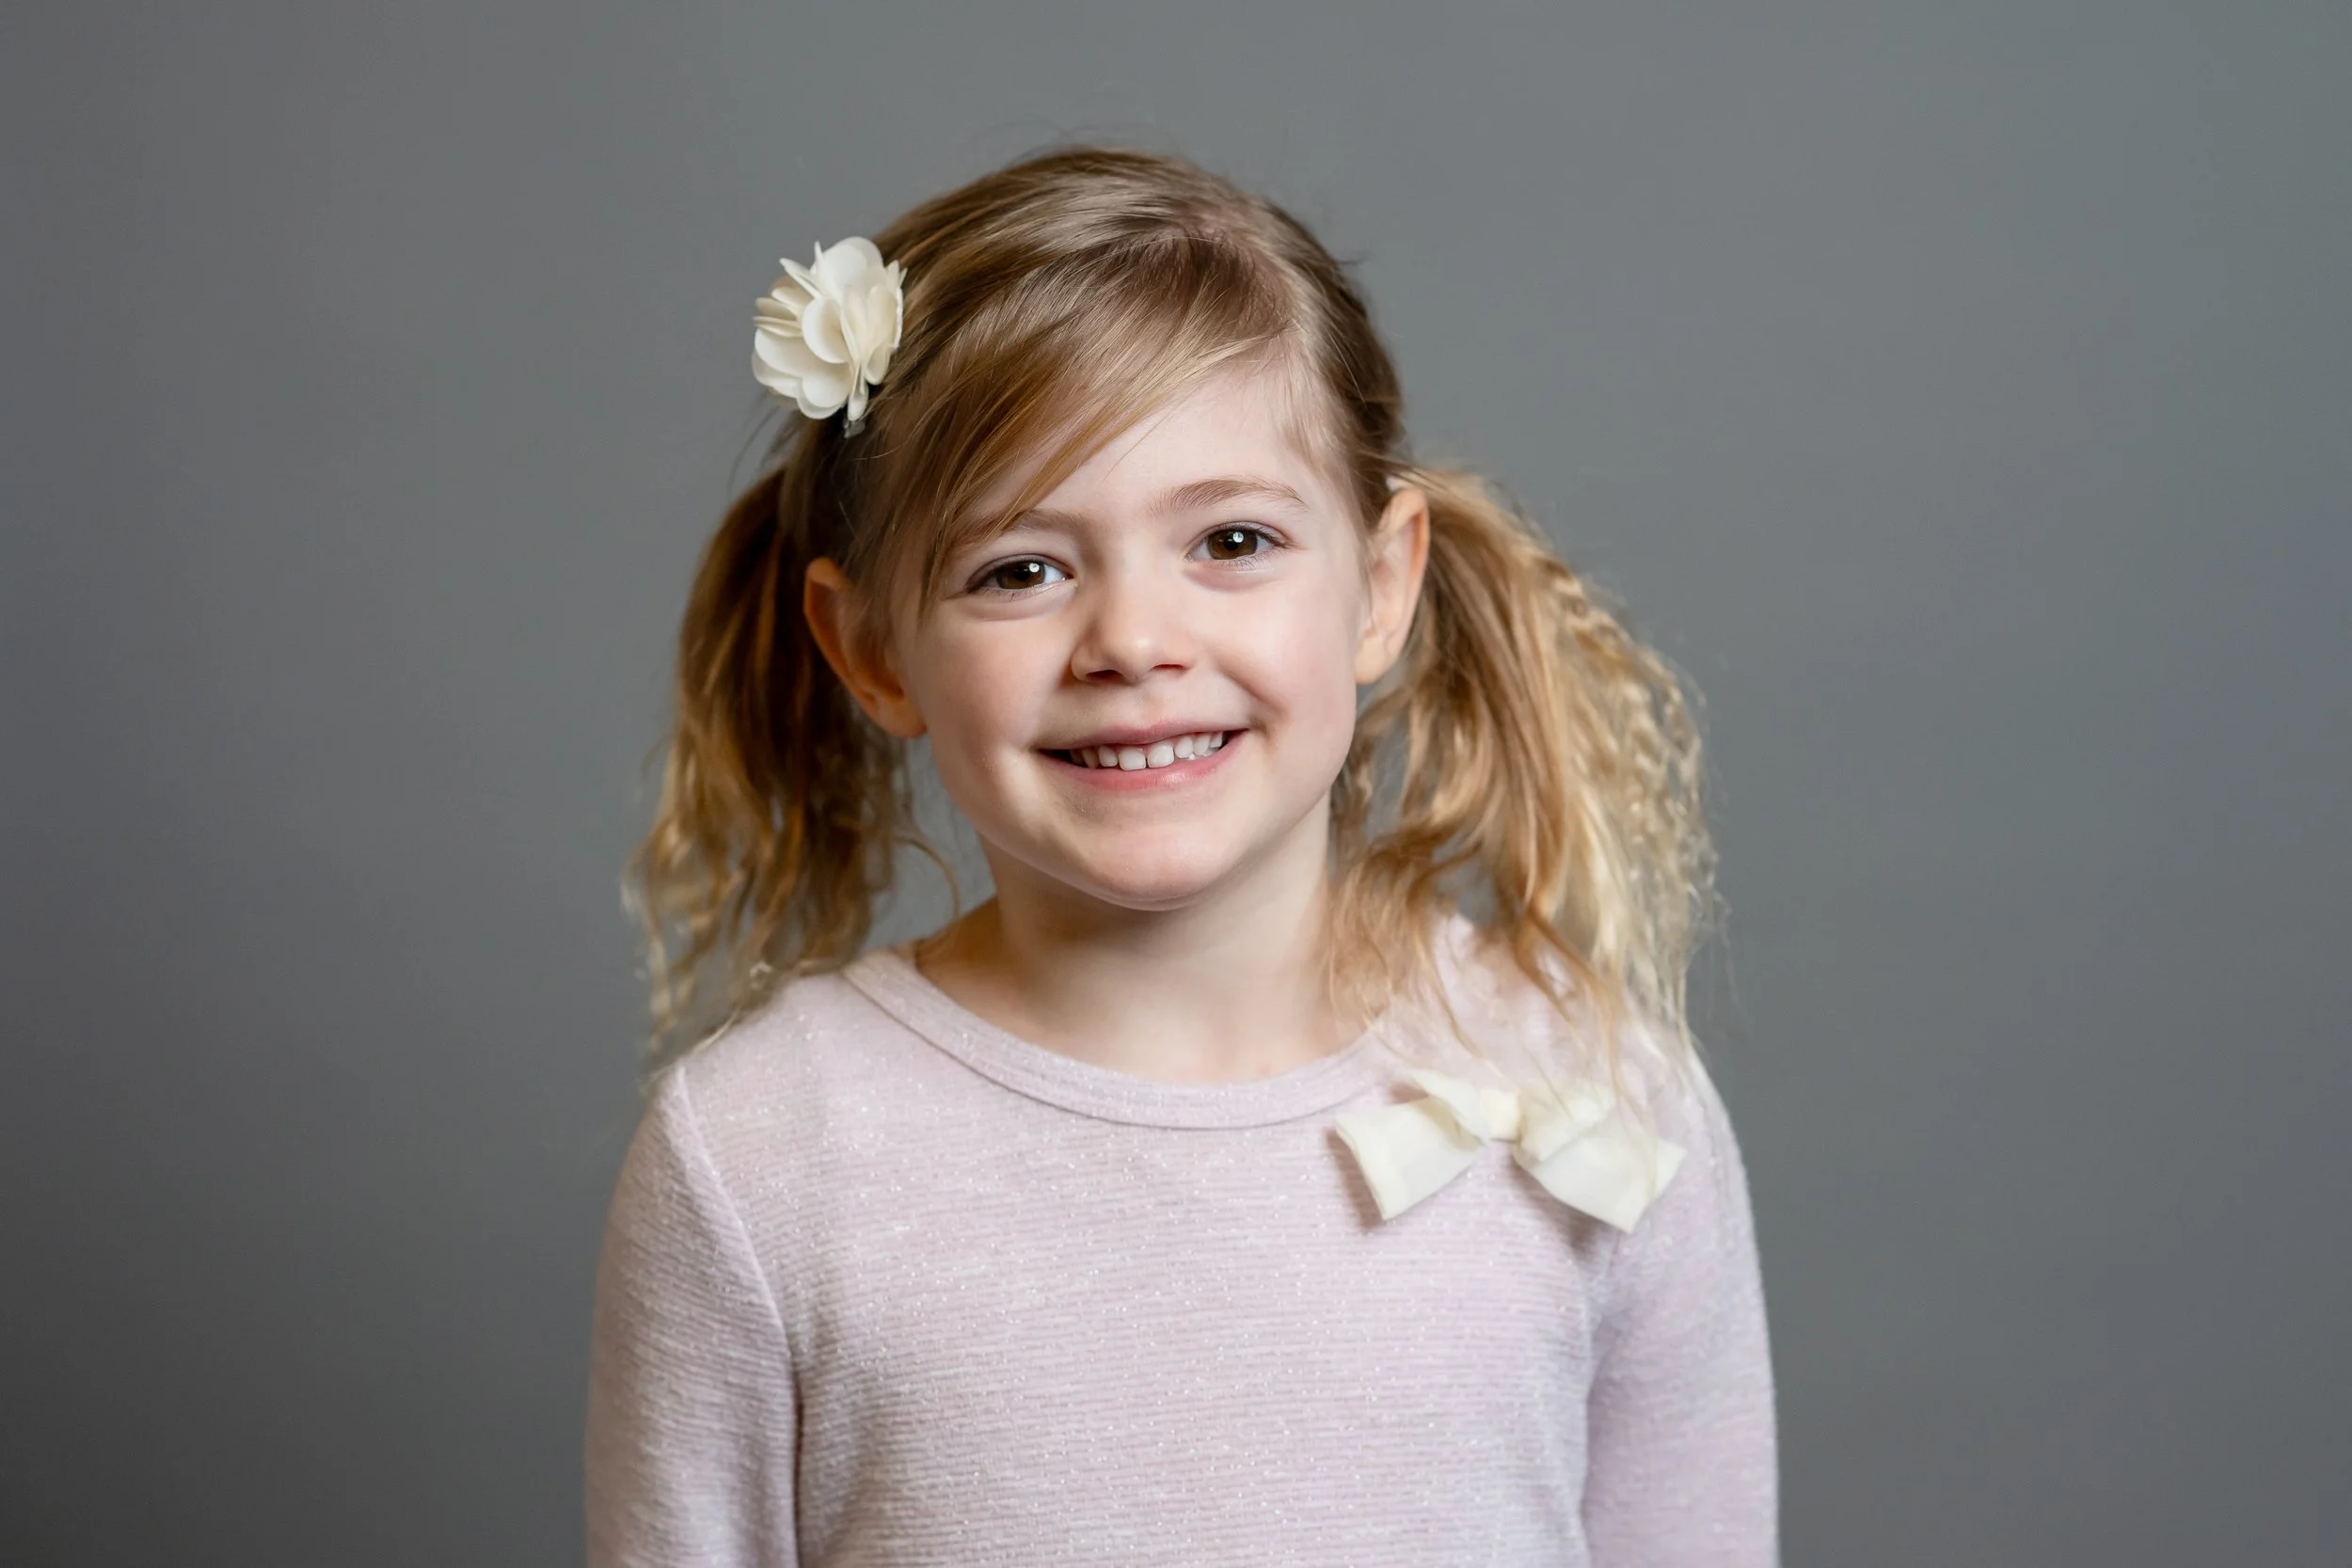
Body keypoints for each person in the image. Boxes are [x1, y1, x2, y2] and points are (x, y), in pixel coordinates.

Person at [586, 145, 1776, 1566]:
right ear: (873, 651)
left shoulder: (1597, 1101)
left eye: (1230, 538)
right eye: (1019, 568)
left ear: (1381, 585)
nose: (1134, 641)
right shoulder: (766, 1155)